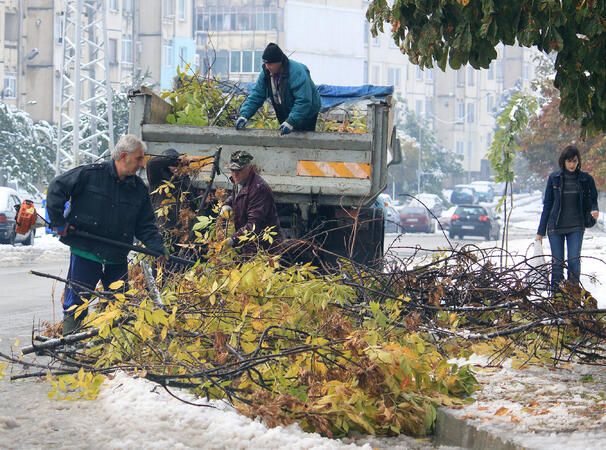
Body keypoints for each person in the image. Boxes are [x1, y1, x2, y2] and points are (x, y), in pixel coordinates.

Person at [47, 134, 166, 334]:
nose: (142, 164)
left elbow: (146, 226)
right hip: (86, 251)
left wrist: (158, 248)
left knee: (119, 304)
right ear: (124, 156)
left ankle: (112, 347)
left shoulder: (138, 190)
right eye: (139, 158)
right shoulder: (90, 175)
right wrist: (59, 223)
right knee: (77, 301)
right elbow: (56, 187)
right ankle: (70, 348)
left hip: (117, 256)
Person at [536, 145, 599, 292]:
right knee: (557, 263)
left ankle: (573, 297)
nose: (572, 165)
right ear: (563, 161)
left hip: (576, 226)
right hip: (555, 226)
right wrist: (540, 232)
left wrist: (594, 209)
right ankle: (557, 299)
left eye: (575, 161)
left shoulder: (586, 179)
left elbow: (593, 199)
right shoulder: (554, 178)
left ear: (578, 162)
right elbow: (548, 205)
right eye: (569, 161)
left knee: (574, 261)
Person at [235, 42, 321, 135]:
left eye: (270, 64)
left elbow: (303, 100)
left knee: (303, 139)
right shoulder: (266, 73)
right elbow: (257, 95)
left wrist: (291, 121)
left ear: (280, 62)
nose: (267, 67)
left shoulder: (297, 73)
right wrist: (244, 115)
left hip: (307, 112)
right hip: (284, 109)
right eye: (265, 63)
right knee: (286, 139)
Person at [219, 150, 283, 254]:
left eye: (239, 170)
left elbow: (254, 225)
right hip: (249, 245)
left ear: (249, 167)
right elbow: (238, 196)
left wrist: (233, 239)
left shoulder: (259, 189)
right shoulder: (241, 182)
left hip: (265, 249)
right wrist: (226, 205)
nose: (235, 173)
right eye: (232, 170)